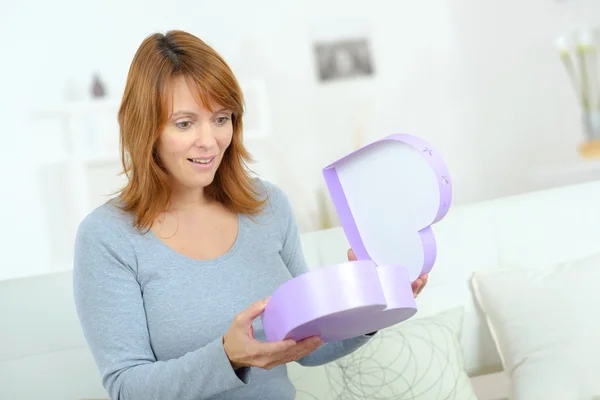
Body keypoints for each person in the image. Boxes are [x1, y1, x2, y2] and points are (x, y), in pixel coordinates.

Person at [72, 30, 428, 400]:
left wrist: (372, 303)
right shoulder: (107, 237)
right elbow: (126, 388)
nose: (209, 141)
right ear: (146, 129)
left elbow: (310, 342)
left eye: (221, 118)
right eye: (185, 123)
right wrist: (227, 357)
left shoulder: (267, 205)